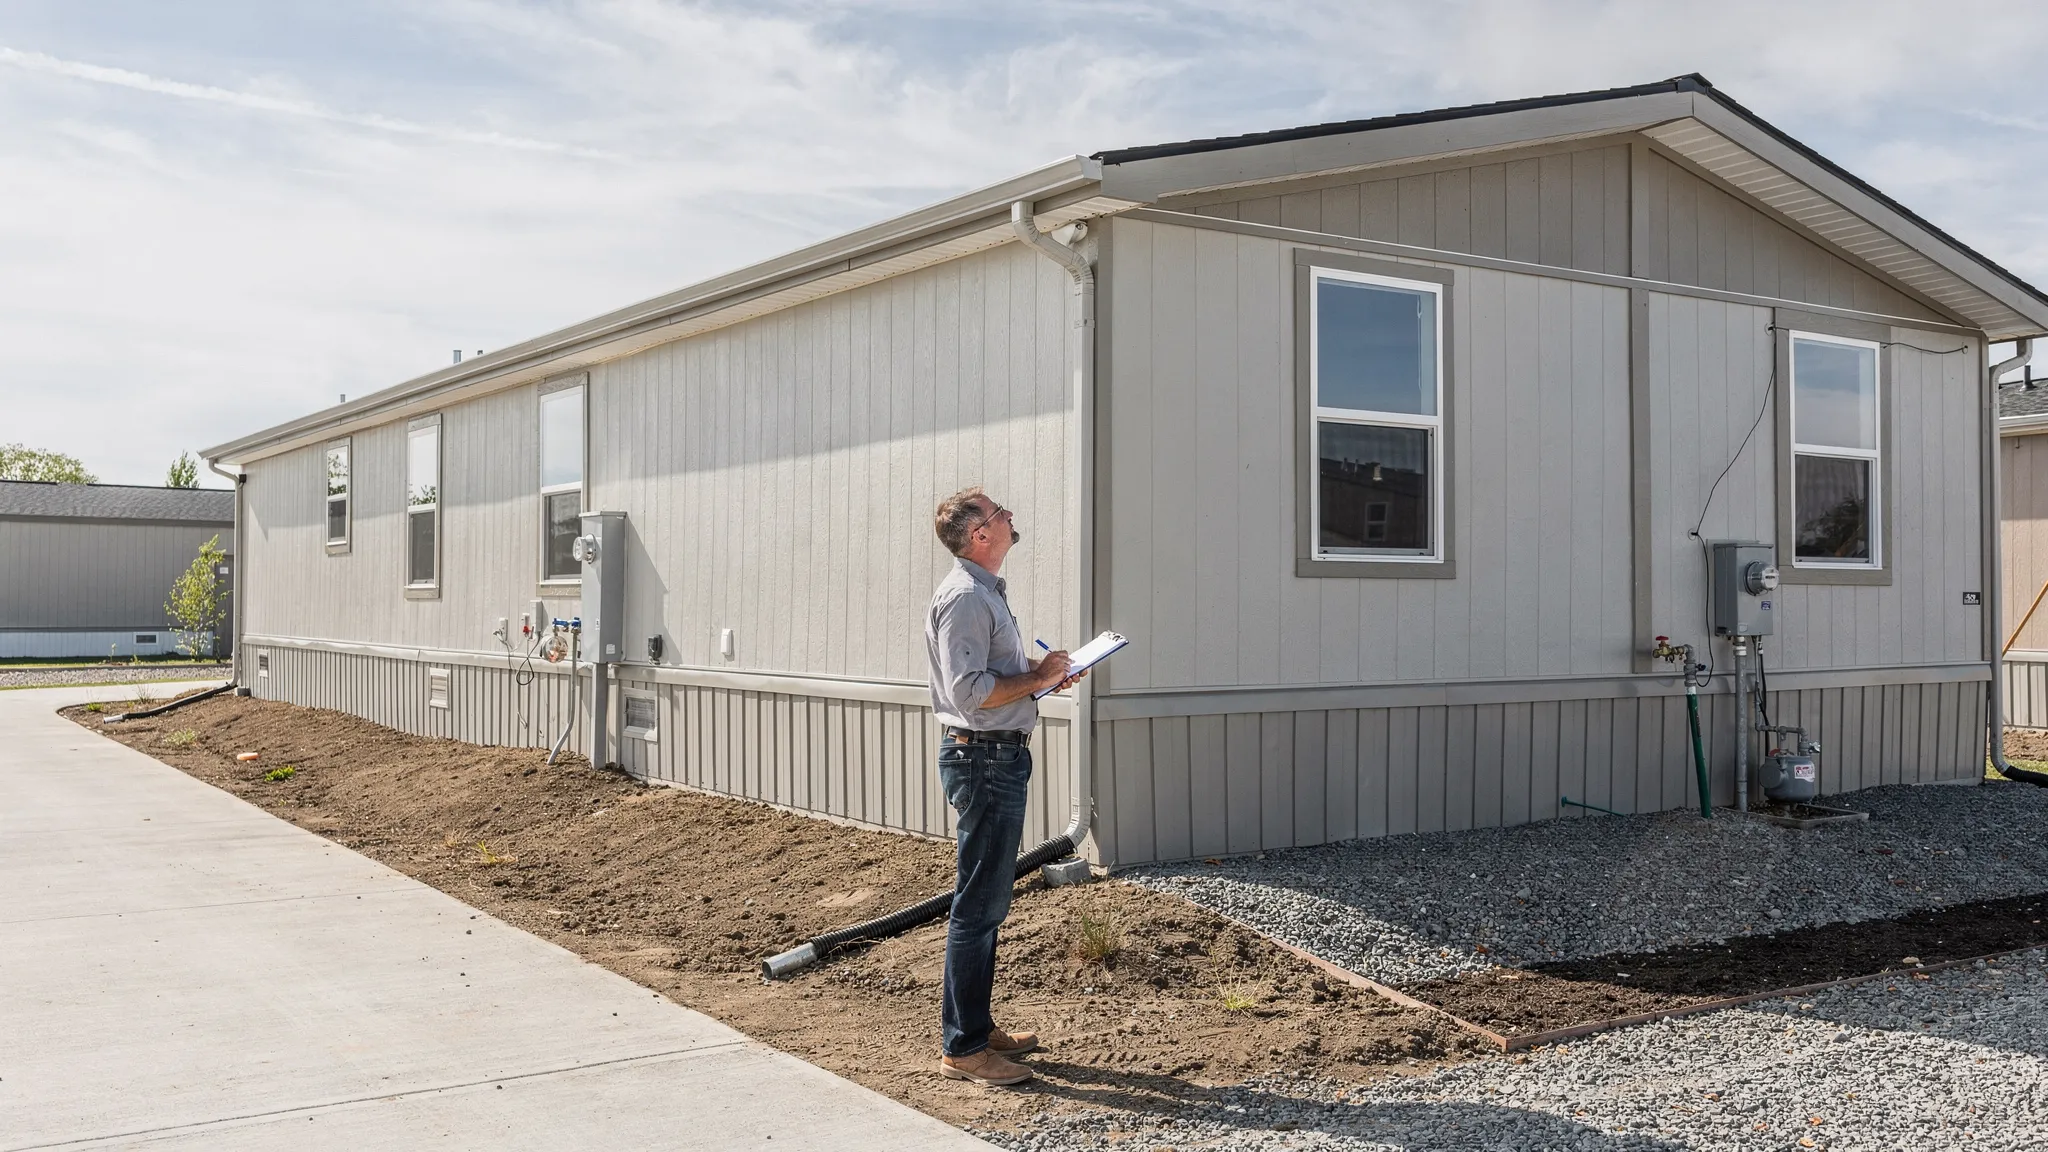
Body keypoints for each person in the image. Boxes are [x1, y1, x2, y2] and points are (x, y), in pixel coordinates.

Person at [925, 487, 1081, 1087]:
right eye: (1000, 513)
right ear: (979, 536)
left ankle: (976, 1025)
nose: (1012, 516)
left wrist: (1040, 682)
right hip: (984, 760)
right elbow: (970, 694)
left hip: (995, 755)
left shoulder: (985, 592)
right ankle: (963, 1049)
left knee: (988, 902)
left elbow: (994, 682)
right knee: (979, 905)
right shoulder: (966, 597)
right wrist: (1036, 676)